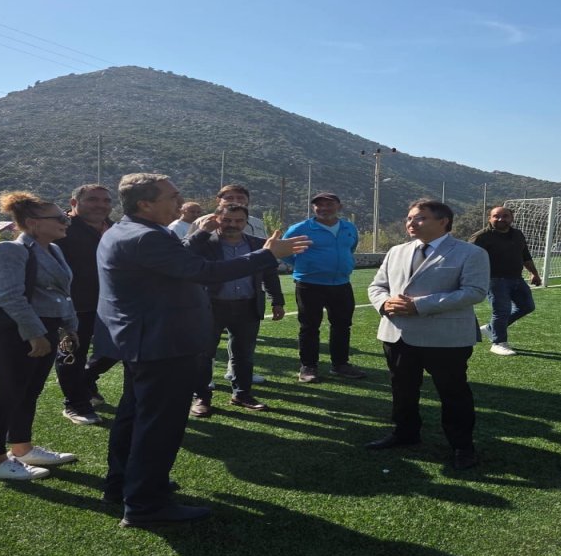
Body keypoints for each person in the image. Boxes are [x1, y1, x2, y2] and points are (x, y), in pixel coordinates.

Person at [93, 173, 309, 527]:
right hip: (162, 344)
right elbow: (204, 271)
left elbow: (178, 264)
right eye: (172, 196)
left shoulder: (125, 230)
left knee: (134, 418)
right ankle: (146, 505)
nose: (181, 203)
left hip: (142, 342)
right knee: (158, 427)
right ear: (145, 203)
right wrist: (267, 255)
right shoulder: (146, 236)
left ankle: (124, 486)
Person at [366, 199, 489, 470]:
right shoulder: (396, 251)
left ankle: (462, 446)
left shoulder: (470, 252)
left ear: (443, 221)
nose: (411, 223)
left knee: (453, 392)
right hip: (398, 334)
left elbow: (475, 291)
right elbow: (377, 286)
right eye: (409, 218)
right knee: (402, 389)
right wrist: (384, 303)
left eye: (420, 218)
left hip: (445, 337)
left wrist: (419, 305)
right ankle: (405, 433)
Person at [0, 191, 80, 481]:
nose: (65, 222)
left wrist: (69, 326)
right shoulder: (9, 250)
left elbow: (62, 292)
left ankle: (22, 449)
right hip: (15, 332)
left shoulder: (53, 249)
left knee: (28, 392)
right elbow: (8, 296)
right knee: (5, 394)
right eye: (59, 218)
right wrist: (35, 334)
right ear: (34, 223)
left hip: (45, 328)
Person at [185, 203, 285, 415]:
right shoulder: (204, 242)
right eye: (227, 220)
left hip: (247, 305)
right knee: (204, 355)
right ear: (216, 219)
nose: (233, 224)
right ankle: (201, 397)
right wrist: (202, 232)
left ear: (246, 222)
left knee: (244, 354)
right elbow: (182, 253)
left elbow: (269, 274)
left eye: (239, 221)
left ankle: (242, 394)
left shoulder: (259, 244)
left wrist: (277, 301)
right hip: (210, 306)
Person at [282, 192, 366, 382]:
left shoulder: (349, 227)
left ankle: (340, 364)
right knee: (309, 326)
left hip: (341, 283)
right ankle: (308, 367)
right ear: (313, 208)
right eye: (319, 205)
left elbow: (350, 248)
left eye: (329, 204)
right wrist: (303, 265)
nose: (324, 208)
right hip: (309, 284)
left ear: (339, 207)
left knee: (342, 325)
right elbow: (283, 251)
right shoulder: (300, 228)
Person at [53, 184, 118, 424]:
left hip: (111, 303)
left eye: (106, 200)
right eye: (93, 200)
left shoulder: (115, 228)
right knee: (72, 354)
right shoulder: (62, 229)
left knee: (118, 347)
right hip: (74, 305)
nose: (101, 205)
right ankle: (75, 405)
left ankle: (86, 380)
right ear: (74, 203)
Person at [470, 206, 543, 356]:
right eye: (496, 216)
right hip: (494, 280)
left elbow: (525, 255)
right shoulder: (481, 237)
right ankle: (498, 343)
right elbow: (468, 258)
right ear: (489, 218)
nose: (501, 219)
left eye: (505, 216)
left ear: (512, 218)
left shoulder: (517, 234)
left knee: (527, 306)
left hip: (517, 278)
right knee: (501, 311)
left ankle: (490, 329)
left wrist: (534, 273)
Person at [189, 184, 268, 239]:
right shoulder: (201, 222)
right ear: (218, 200)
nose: (235, 201)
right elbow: (189, 247)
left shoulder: (257, 223)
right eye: (229, 198)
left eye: (240, 198)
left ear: (248, 200)